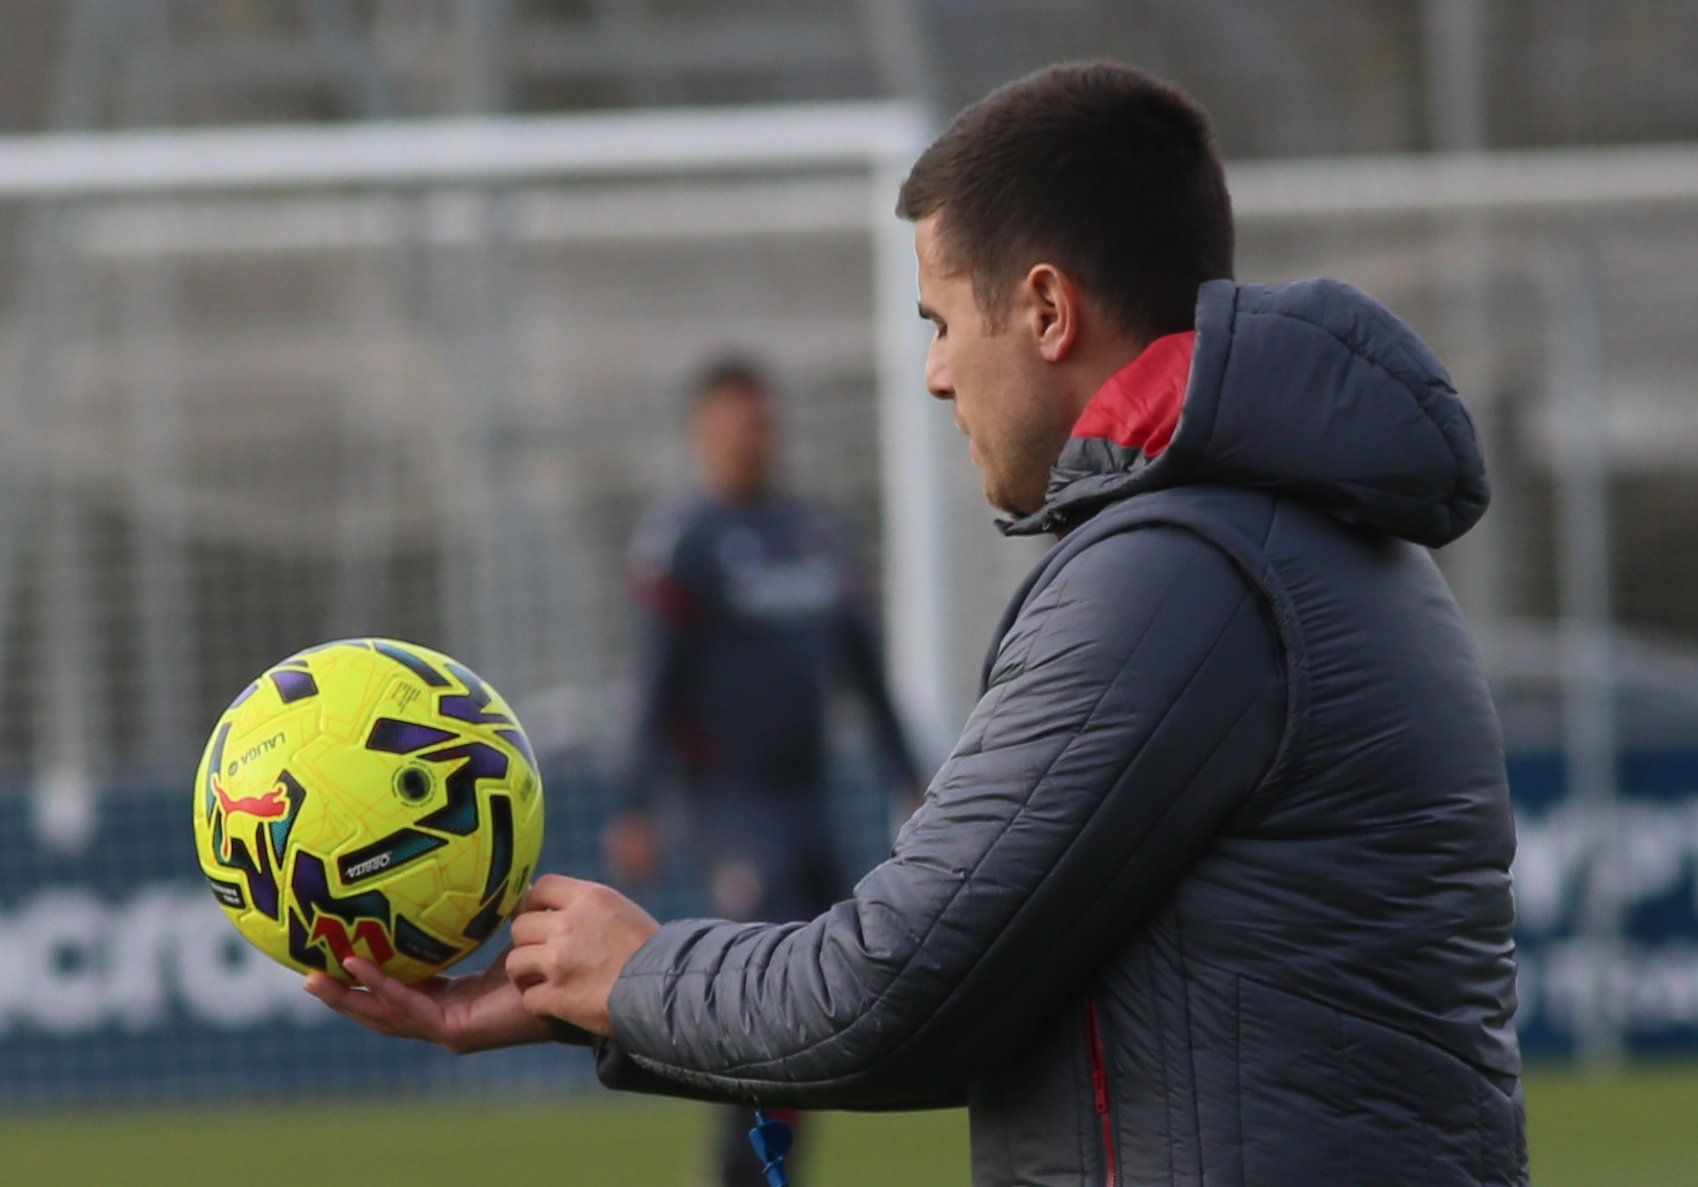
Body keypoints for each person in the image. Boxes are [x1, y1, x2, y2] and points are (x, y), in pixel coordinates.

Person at [308, 61, 1527, 1186]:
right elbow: (967, 1013)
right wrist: (594, 1000)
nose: (936, 374)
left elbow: (888, 989)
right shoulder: (1300, 537)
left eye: (943, 321)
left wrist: (635, 973)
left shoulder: (1178, 575)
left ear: (1046, 310)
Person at [604, 356, 924, 1184]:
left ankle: (769, 1170)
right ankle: (739, 1172)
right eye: (741, 419)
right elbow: (654, 684)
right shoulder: (684, 542)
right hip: (734, 803)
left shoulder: (815, 530)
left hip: (815, 794)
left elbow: (865, 669)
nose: (757, 434)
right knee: (762, 992)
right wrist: (637, 803)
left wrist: (908, 771)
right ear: (705, 429)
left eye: (765, 418)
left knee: (826, 999)